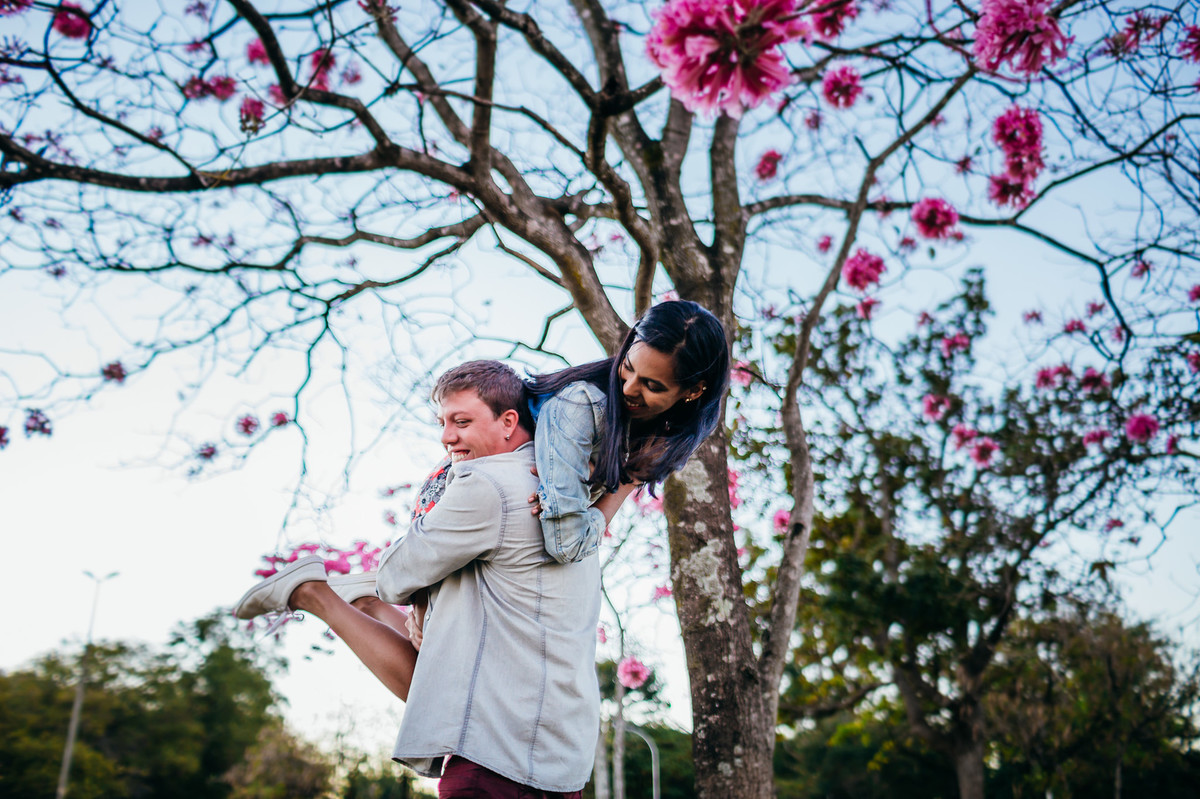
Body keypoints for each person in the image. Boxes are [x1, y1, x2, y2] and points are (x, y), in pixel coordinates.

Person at [233, 300, 730, 793]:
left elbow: (598, 513)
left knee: (451, 667)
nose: (630, 389)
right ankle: (321, 594)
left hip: (545, 733)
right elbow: (562, 536)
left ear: (694, 392)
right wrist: (564, 497)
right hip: (476, 497)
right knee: (447, 669)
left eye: (653, 385)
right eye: (628, 369)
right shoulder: (577, 409)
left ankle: (362, 601)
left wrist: (592, 500)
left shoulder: (667, 433)